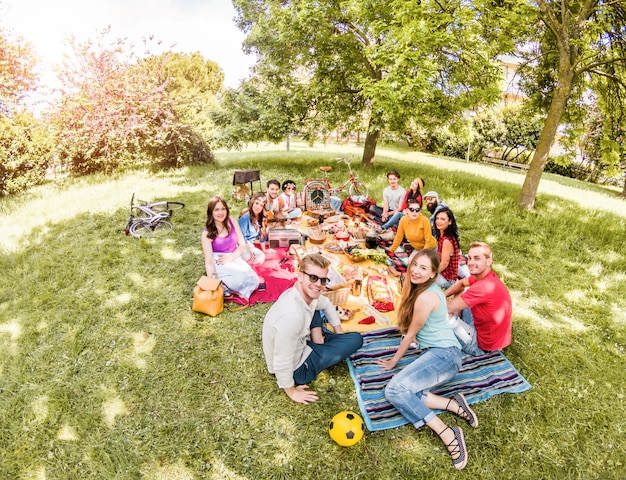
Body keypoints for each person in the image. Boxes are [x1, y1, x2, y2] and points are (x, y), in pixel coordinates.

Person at [378, 250, 478, 470]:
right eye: (415, 265)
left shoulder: (425, 297)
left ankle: (447, 433)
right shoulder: (424, 288)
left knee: (395, 390)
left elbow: (411, 334)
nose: (415, 270)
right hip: (441, 353)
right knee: (407, 391)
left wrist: (394, 361)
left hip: (445, 356)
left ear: (433, 274)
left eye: (423, 268)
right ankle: (452, 404)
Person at [262, 253, 363, 404]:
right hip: (299, 367)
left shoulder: (299, 293)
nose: (318, 284)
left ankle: (319, 339)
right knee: (356, 339)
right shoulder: (293, 315)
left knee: (317, 306)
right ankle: (319, 341)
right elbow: (282, 360)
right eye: (313, 278)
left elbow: (327, 303)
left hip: (303, 342)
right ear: (300, 276)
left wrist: (338, 331)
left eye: (323, 280)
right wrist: (291, 392)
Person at [445, 242, 512, 356]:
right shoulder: (485, 277)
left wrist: (428, 296)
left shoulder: (483, 287)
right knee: (461, 291)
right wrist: (443, 296)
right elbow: (461, 283)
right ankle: (456, 323)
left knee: (443, 314)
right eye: (469, 258)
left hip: (480, 346)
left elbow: (445, 307)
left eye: (477, 258)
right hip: (490, 334)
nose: (470, 263)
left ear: (489, 261)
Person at [201, 196, 260, 301]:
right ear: (211, 213)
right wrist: (211, 282)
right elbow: (209, 261)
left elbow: (242, 244)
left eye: (223, 209)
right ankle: (222, 285)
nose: (221, 213)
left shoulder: (232, 222)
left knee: (254, 280)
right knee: (240, 278)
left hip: (233, 256)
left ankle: (228, 287)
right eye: (217, 210)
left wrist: (231, 257)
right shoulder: (207, 233)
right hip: (218, 259)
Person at [238, 193, 273, 265]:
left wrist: (264, 249)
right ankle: (239, 262)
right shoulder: (245, 218)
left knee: (261, 257)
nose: (258, 207)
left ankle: (243, 261)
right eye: (257, 203)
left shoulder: (262, 218)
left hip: (250, 245)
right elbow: (240, 238)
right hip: (241, 245)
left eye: (261, 205)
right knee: (250, 256)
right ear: (252, 202)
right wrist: (249, 249)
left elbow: (263, 234)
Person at [435, 206, 461, 289]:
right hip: (447, 275)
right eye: (437, 218)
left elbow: (444, 263)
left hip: (447, 280)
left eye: (442, 219)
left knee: (421, 277)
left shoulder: (446, 241)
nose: (439, 221)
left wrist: (431, 274)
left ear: (449, 222)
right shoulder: (443, 235)